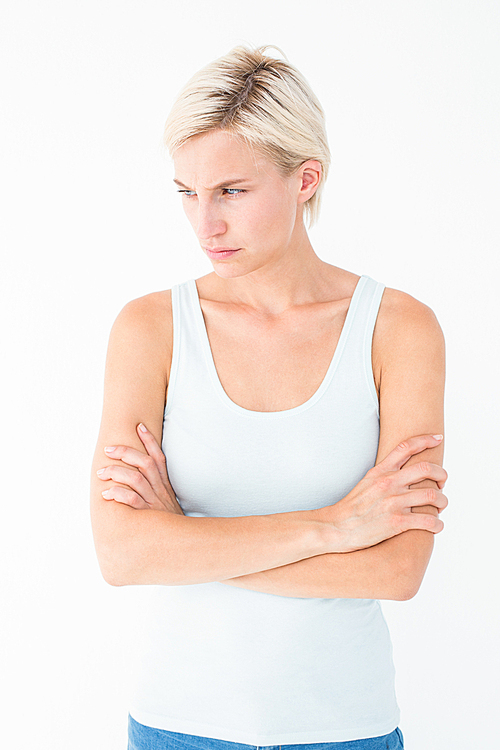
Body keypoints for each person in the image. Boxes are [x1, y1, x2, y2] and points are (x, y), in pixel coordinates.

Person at [90, 45, 447, 750]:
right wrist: (338, 527)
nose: (205, 224)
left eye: (232, 191)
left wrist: (187, 539)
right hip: (176, 724)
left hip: (346, 728)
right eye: (187, 192)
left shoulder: (399, 329)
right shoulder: (151, 329)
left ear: (304, 178)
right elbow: (122, 556)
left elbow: (398, 569)